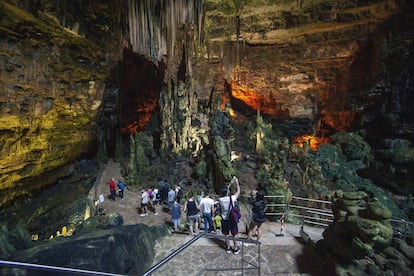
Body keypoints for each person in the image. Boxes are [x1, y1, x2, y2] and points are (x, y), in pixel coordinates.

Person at [219, 175, 241, 254]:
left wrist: (230, 183)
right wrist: (237, 182)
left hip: (224, 219)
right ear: (227, 192)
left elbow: (226, 190)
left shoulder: (220, 200)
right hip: (232, 219)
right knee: (235, 234)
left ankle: (228, 248)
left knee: (226, 234)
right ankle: (235, 248)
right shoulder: (232, 198)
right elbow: (238, 192)